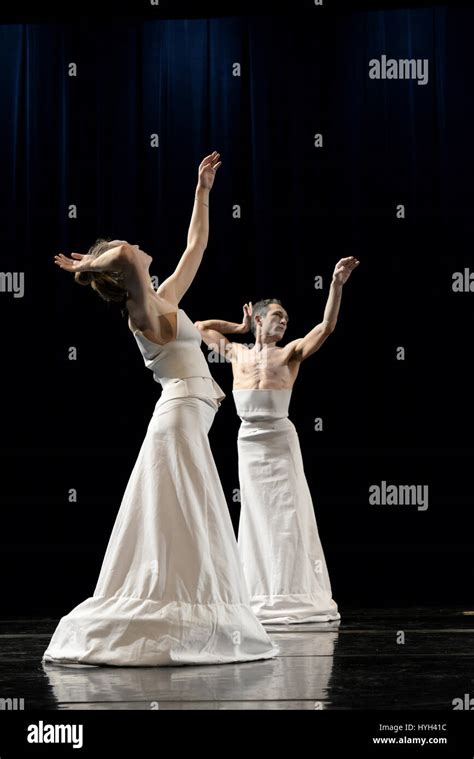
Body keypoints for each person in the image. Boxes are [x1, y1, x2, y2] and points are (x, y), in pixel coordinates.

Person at [42, 151, 278, 666]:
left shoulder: (163, 296)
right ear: (123, 275)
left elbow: (196, 247)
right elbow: (125, 253)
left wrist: (202, 191)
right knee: (186, 513)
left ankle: (187, 607)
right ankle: (180, 613)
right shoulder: (140, 309)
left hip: (186, 417)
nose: (144, 249)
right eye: (134, 254)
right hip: (178, 418)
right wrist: (88, 265)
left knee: (183, 515)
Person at [195, 256, 359, 624]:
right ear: (258, 319)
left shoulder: (290, 353)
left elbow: (327, 327)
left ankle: (293, 592)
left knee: (287, 514)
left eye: (286, 319)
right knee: (255, 515)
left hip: (279, 439)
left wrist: (335, 284)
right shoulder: (236, 353)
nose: (284, 322)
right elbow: (200, 326)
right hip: (248, 440)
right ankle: (259, 592)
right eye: (277, 317)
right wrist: (237, 325)